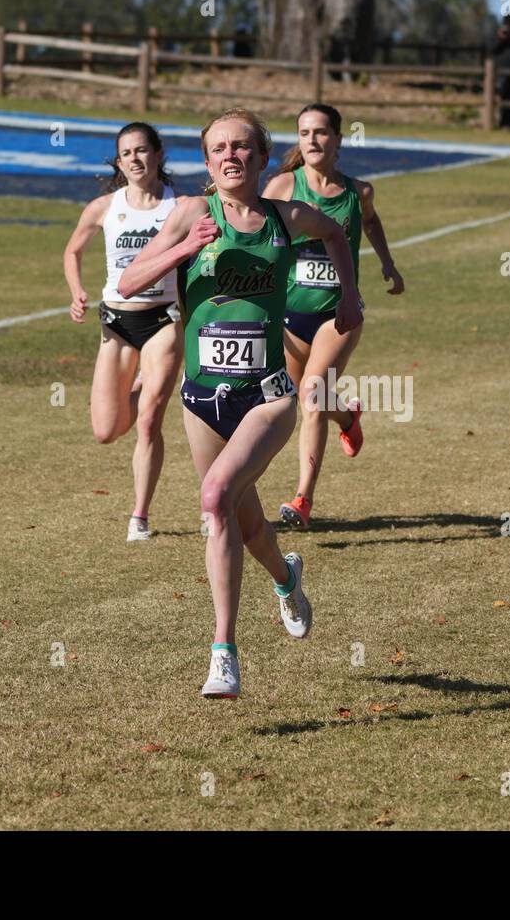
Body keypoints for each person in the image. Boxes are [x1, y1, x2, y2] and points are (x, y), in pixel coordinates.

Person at [115, 108, 361, 698]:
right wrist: (181, 252)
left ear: (259, 156)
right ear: (206, 162)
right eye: (219, 148)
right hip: (202, 399)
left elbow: (333, 233)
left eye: (243, 147)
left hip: (267, 395)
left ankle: (223, 652)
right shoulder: (191, 214)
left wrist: (348, 294)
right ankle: (286, 579)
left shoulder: (285, 217)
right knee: (243, 522)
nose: (231, 155)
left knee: (213, 497)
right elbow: (128, 284)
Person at [263, 104, 405, 530]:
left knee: (310, 394)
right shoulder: (283, 186)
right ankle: (347, 417)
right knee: (287, 400)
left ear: (338, 139)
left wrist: (387, 263)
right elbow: (258, 234)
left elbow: (371, 223)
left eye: (321, 132)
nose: (311, 140)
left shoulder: (357, 192)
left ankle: (303, 499)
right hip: (289, 313)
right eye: (304, 132)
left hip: (340, 313)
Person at [63, 122, 184, 543]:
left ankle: (140, 516)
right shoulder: (104, 207)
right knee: (105, 431)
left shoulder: (178, 206)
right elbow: (73, 250)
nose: (134, 159)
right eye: (126, 153)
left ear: (158, 154)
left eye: (141, 150)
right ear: (119, 161)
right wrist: (77, 291)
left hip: (162, 321)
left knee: (150, 422)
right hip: (115, 322)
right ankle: (138, 388)